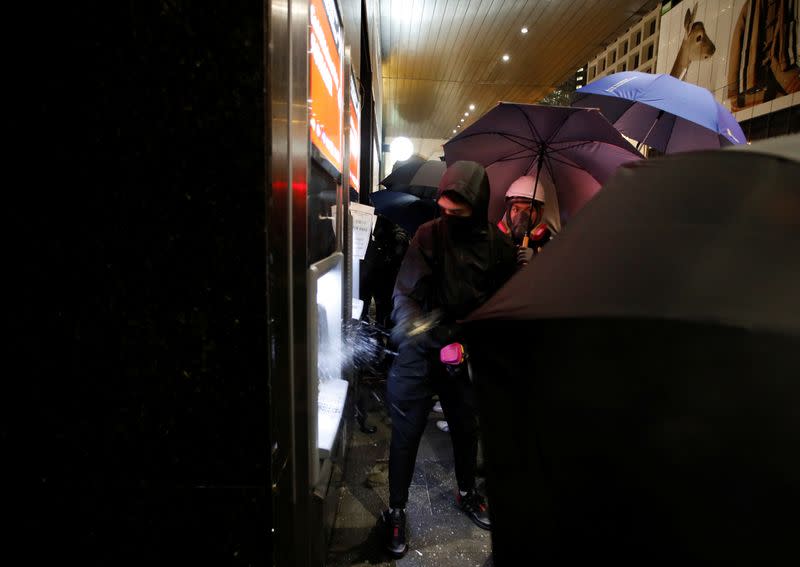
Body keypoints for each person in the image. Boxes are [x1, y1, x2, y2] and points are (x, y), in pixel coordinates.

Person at [381, 160, 518, 557]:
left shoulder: (498, 248)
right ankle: (396, 509)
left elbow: (502, 310)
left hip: (461, 347)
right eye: (444, 211)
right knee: (406, 433)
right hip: (420, 349)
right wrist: (409, 324)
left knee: (464, 424)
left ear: (476, 206)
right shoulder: (428, 235)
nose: (448, 219)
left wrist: (471, 342)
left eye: (457, 213)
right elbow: (404, 291)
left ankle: (465, 490)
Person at [497, 174, 559, 265]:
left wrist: (536, 260)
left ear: (540, 213)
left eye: (529, 210)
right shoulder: (496, 240)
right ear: (508, 211)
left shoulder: (549, 245)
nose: (521, 216)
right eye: (516, 209)